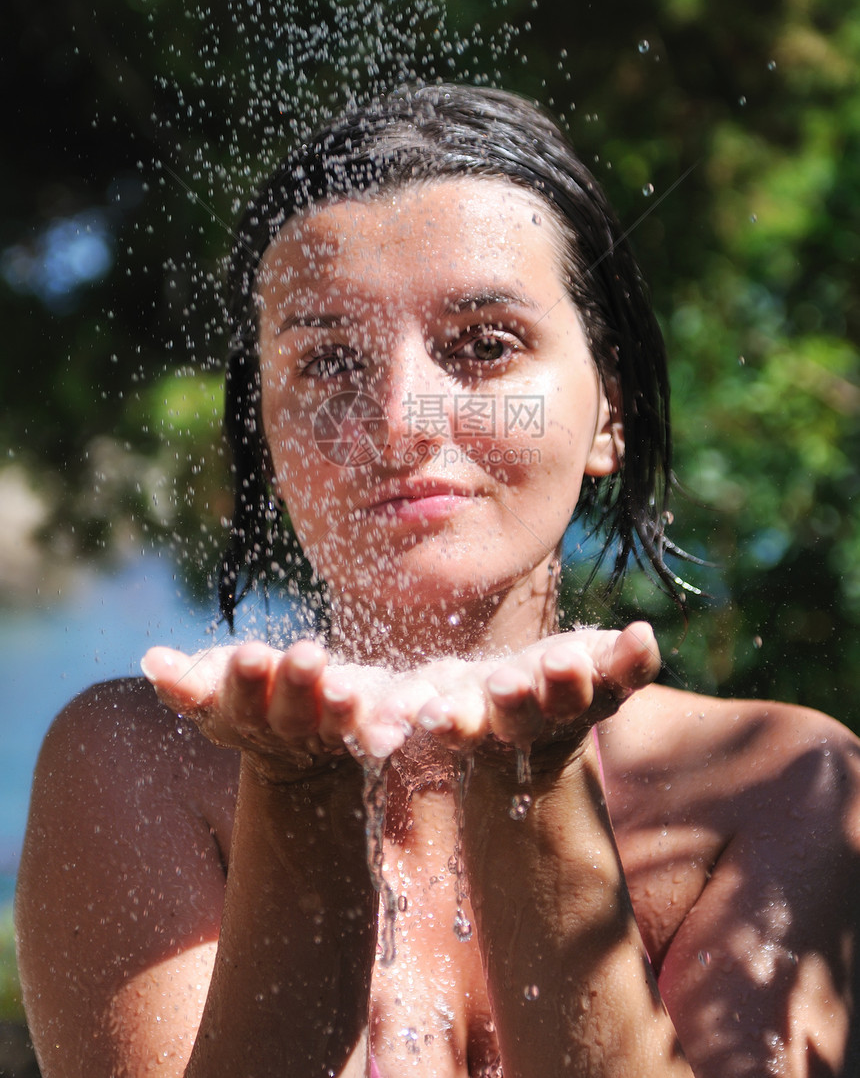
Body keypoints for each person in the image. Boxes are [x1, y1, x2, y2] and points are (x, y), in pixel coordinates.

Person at [15, 84, 860, 1078]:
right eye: (328, 360)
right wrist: (299, 800)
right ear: (267, 436)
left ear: (607, 416)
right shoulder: (135, 764)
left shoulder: (781, 781)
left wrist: (532, 791)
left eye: (481, 345)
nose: (399, 417)